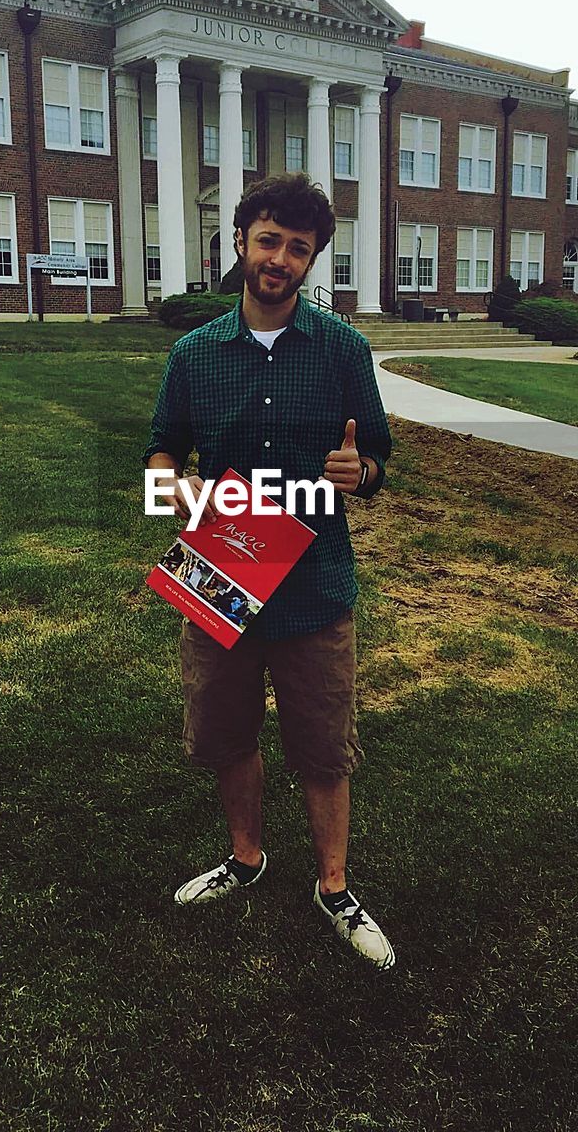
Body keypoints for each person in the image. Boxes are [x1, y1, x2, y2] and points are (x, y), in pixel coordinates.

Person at [144, 172, 394, 971]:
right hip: (223, 575)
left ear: (312, 259)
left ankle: (334, 886)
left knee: (323, 746)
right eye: (268, 240)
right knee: (227, 733)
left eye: (298, 247)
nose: (280, 257)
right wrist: (172, 486)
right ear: (241, 243)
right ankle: (246, 858)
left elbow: (381, 457)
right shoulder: (194, 354)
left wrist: (365, 473)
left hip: (315, 586)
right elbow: (157, 456)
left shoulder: (345, 350)